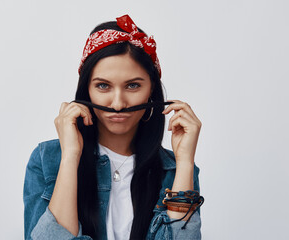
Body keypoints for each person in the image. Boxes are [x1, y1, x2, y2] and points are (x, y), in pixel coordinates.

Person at [23, 14, 203, 240]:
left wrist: (184, 162)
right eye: (103, 86)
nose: (118, 104)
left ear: (151, 91)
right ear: (86, 90)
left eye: (133, 85)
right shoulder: (45, 160)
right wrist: (70, 156)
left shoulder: (177, 171)